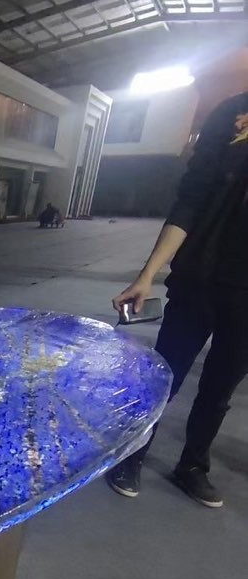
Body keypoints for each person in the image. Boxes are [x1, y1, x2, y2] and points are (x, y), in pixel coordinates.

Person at [107, 92, 248, 508]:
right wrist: (147, 275)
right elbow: (190, 203)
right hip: (199, 282)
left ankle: (192, 466)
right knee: (165, 376)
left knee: (219, 391)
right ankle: (132, 454)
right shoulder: (232, 114)